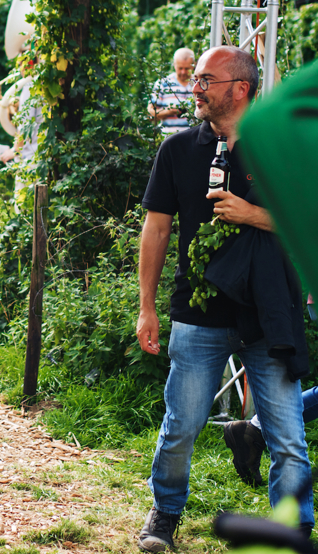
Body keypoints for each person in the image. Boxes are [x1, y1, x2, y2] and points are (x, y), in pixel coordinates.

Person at [135, 45, 313, 551]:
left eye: (206, 80)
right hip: (198, 311)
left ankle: (295, 531)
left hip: (270, 311)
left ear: (240, 89)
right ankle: (165, 514)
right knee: (182, 425)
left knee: (288, 436)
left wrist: (252, 214)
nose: (195, 87)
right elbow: (157, 229)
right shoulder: (177, 150)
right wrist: (146, 307)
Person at [147, 48, 196, 134]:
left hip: (194, 138)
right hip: (169, 138)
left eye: (187, 68)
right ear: (174, 65)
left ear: (193, 65)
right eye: (180, 68)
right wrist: (168, 111)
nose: (183, 72)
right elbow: (151, 110)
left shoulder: (198, 83)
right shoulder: (163, 83)